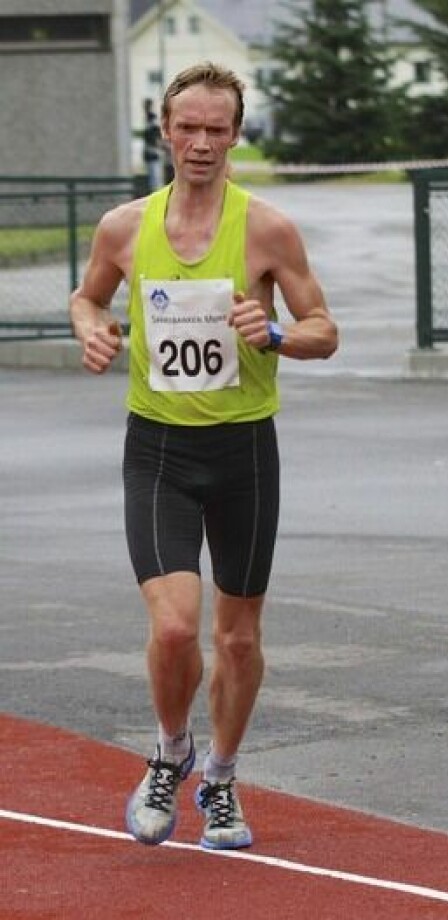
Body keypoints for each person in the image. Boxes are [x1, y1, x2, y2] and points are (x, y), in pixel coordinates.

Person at [69, 62, 339, 847]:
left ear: (236, 134)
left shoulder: (266, 229)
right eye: (188, 127)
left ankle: (220, 778)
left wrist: (280, 333)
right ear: (165, 130)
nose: (201, 143)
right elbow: (87, 294)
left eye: (217, 129)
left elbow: (325, 327)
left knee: (239, 637)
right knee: (180, 628)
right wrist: (91, 325)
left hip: (245, 450)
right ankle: (170, 751)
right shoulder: (125, 227)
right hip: (157, 448)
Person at [141, 99, 164, 192]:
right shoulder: (150, 120)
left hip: (152, 154)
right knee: (155, 179)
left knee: (154, 179)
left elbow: (155, 137)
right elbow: (156, 138)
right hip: (152, 154)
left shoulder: (150, 120)